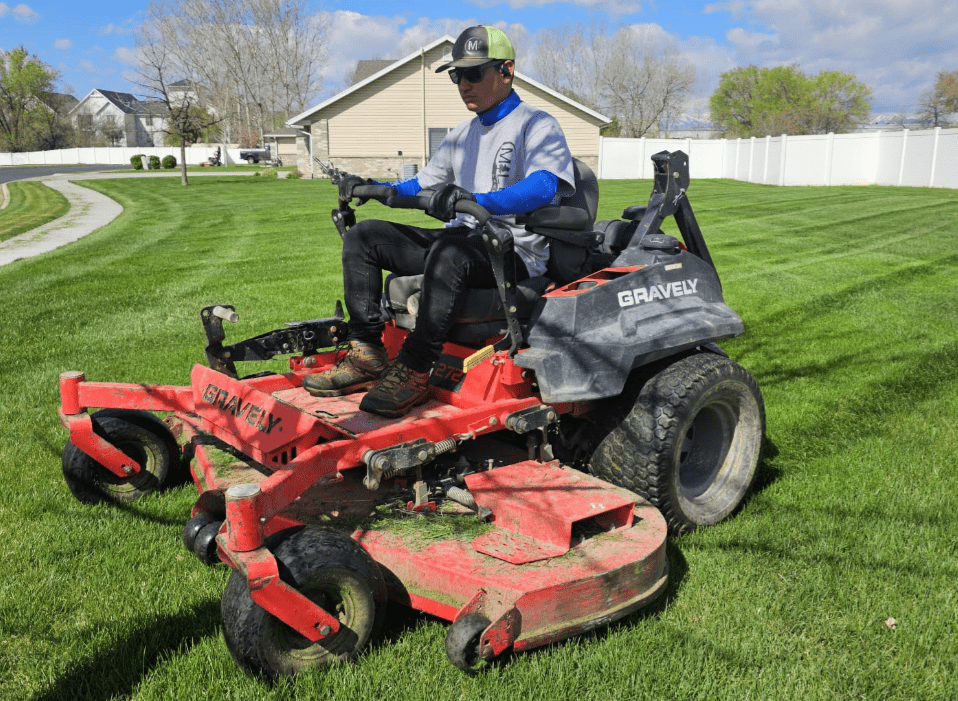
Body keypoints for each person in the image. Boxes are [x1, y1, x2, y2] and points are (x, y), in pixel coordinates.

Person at [303, 25, 575, 417]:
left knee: (449, 249)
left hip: (512, 248)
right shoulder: (461, 136)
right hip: (460, 242)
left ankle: (415, 368)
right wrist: (370, 187)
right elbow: (419, 185)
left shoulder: (536, 125)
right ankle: (366, 353)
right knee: (364, 237)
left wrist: (474, 200)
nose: (463, 84)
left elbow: (544, 186)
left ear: (507, 70)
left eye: (473, 73)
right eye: (456, 75)